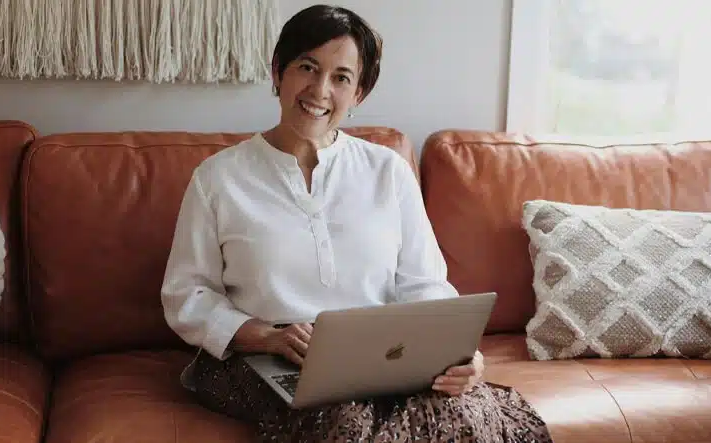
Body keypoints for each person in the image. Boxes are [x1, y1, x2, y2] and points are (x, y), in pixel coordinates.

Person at [161, 4, 553, 442]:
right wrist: (263, 335)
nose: (319, 90)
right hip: (258, 360)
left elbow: (423, 284)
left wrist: (458, 353)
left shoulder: (387, 171)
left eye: (341, 78)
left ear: (359, 93)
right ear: (277, 73)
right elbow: (187, 295)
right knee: (344, 420)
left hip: (381, 359)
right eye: (306, 67)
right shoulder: (219, 178)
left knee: (459, 416)